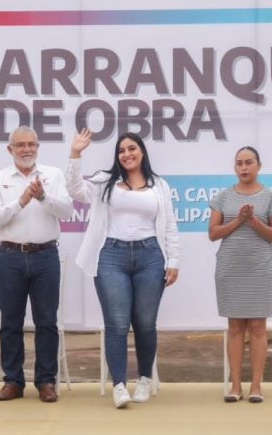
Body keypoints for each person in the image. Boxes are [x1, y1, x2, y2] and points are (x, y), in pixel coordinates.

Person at [66, 128, 180, 409]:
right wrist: (76, 153)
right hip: (111, 256)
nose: (126, 154)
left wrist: (173, 261)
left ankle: (143, 379)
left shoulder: (159, 185)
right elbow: (74, 190)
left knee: (145, 323)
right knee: (116, 324)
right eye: (121, 150)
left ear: (142, 152)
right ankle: (119, 384)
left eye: (132, 149)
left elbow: (170, 227)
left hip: (151, 256)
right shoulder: (106, 181)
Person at [0, 126, 73, 403]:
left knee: (46, 322)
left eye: (31, 144)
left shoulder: (54, 175)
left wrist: (43, 197)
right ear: (9, 149)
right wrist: (21, 201)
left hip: (45, 256)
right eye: (20, 145)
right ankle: (13, 381)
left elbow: (68, 212)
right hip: (10, 256)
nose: (26, 149)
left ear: (38, 147)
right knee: (10, 322)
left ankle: (46, 381)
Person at [208, 146, 272, 403]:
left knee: (258, 326)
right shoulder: (222, 197)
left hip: (260, 268)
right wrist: (239, 221)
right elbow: (213, 233)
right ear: (234, 167)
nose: (244, 167)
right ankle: (235, 386)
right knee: (235, 326)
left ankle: (256, 386)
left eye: (249, 162)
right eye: (239, 163)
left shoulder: (271, 197)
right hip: (230, 268)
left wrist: (254, 222)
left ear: (258, 166)